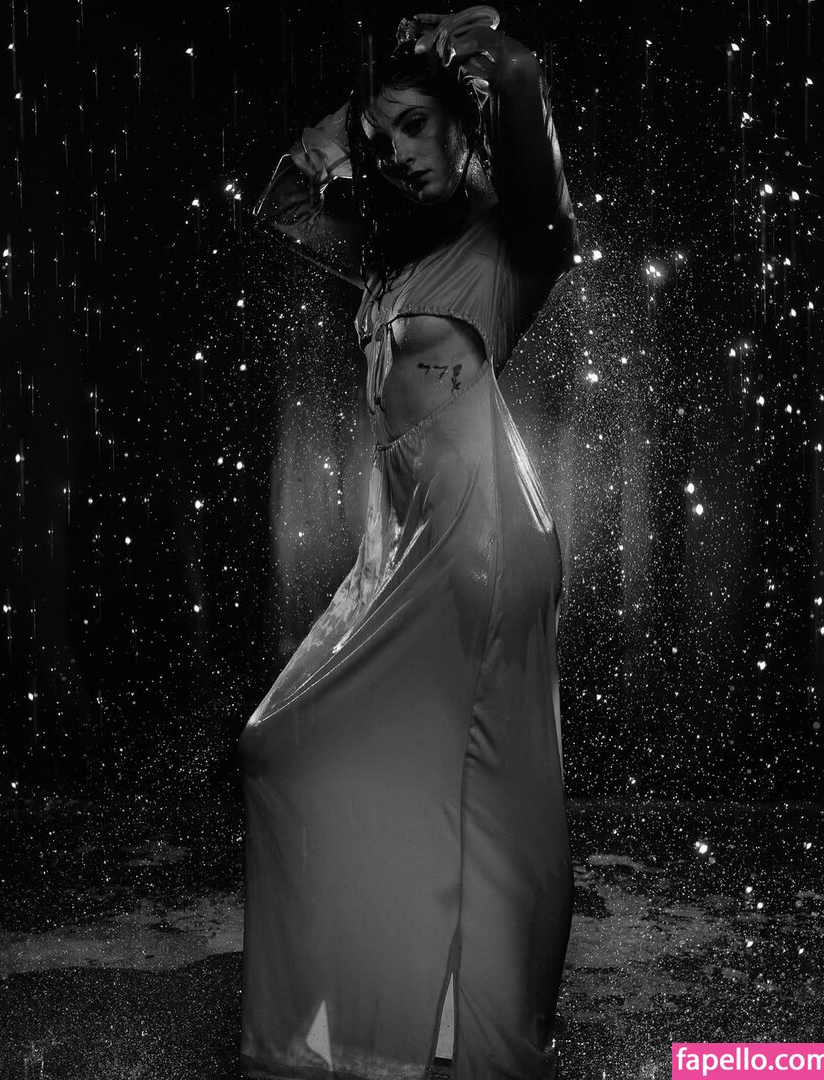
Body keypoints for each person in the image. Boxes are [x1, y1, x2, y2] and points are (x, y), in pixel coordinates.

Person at [238, 8, 580, 1079]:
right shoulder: (387, 261)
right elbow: (283, 202)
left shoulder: (507, 246)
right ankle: (410, 1020)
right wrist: (349, 122)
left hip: (484, 545)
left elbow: (538, 163)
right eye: (383, 136)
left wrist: (498, 67)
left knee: (491, 804)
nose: (399, 151)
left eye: (420, 126)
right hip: (413, 541)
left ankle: (486, 1038)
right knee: (301, 751)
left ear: (468, 129)